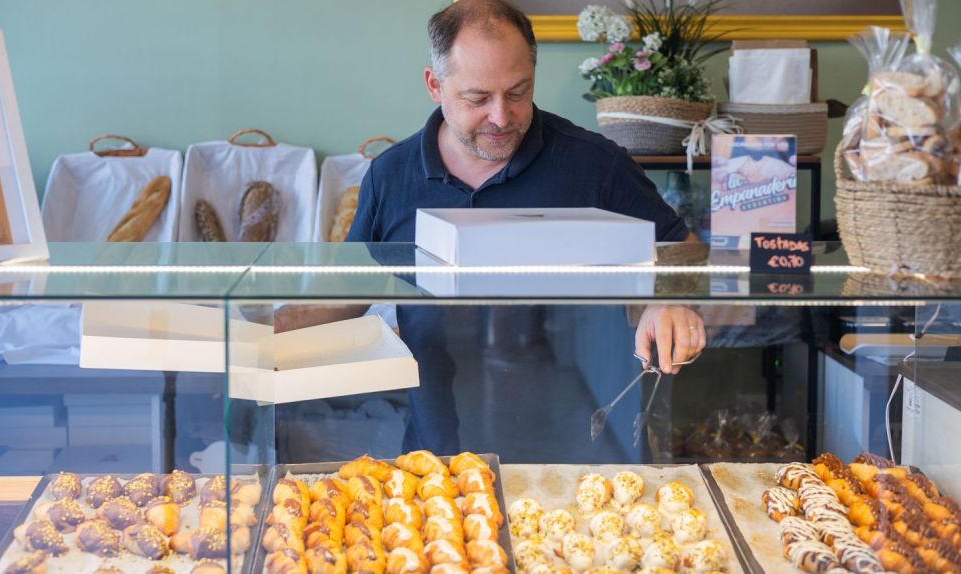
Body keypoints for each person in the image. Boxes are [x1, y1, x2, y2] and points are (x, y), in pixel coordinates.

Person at [280, 0, 706, 455]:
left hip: (577, 449)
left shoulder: (595, 165)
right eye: (478, 99)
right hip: (436, 452)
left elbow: (685, 253)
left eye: (518, 92)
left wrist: (671, 301)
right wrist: (253, 332)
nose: (502, 117)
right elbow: (346, 294)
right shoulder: (391, 175)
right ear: (434, 85)